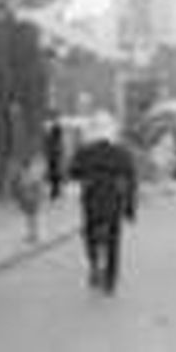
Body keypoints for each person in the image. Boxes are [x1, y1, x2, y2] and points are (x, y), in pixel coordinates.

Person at [69, 114, 138, 293]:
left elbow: (72, 172)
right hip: (114, 203)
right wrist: (130, 209)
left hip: (91, 201)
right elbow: (131, 181)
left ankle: (93, 264)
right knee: (114, 241)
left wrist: (84, 176)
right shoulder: (122, 153)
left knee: (89, 233)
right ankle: (110, 280)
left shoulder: (85, 152)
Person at [11, 151, 45, 245]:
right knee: (30, 218)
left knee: (31, 218)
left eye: (23, 166)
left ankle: (33, 235)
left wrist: (36, 195)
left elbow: (34, 186)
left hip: (31, 199)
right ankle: (32, 234)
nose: (22, 168)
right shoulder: (29, 174)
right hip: (30, 199)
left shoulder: (30, 174)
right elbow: (23, 186)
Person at [44, 114, 68, 203]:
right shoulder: (56, 140)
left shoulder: (52, 139)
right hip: (55, 158)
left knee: (55, 176)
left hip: (53, 158)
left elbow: (49, 147)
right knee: (56, 176)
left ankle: (55, 192)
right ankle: (56, 192)